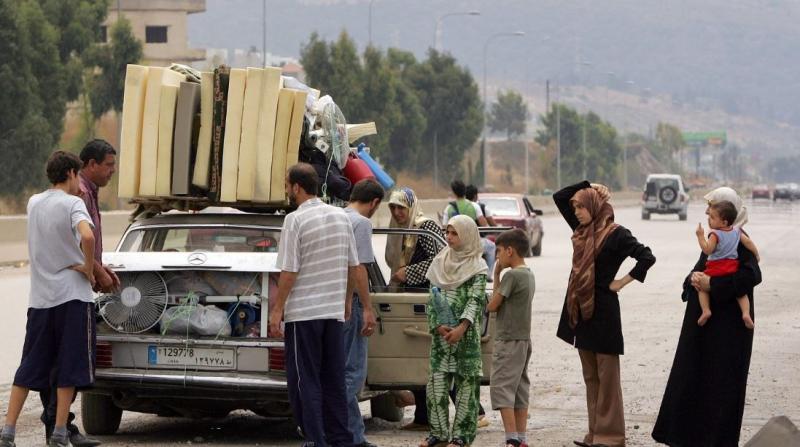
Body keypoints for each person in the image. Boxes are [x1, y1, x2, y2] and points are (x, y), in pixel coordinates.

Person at [0, 151, 97, 447]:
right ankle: (58, 433)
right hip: (72, 296)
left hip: (40, 299)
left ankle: (8, 431)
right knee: (68, 366)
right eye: (77, 175)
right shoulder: (73, 203)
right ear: (70, 173)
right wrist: (89, 269)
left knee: (29, 365)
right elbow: (88, 237)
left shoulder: (33, 202)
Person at [652, 187, 762, 446]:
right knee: (692, 384)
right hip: (703, 328)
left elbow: (752, 276)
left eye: (711, 208)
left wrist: (713, 285)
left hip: (729, 331)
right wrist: (692, 279)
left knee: (721, 389)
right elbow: (700, 268)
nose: (706, 214)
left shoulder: (738, 240)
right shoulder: (716, 239)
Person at [553, 181, 655, 447]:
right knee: (591, 377)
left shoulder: (616, 234)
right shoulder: (581, 230)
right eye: (574, 207)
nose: (575, 211)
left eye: (581, 206)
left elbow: (646, 256)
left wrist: (622, 282)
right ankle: (595, 433)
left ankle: (610, 437)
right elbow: (559, 196)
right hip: (581, 311)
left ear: (595, 207)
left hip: (604, 313)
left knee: (607, 378)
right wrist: (589, 185)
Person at [268, 163, 359, 447]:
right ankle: (340, 438)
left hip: (303, 314)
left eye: (287, 184)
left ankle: (316, 440)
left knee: (305, 380)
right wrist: (345, 302)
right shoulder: (341, 217)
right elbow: (353, 266)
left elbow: (289, 271)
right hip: (332, 313)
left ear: (296, 187)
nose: (286, 189)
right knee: (333, 378)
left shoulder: (294, 220)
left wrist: (277, 309)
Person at [39, 140, 120, 447]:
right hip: (66, 292)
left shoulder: (89, 192)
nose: (113, 171)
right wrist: (94, 271)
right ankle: (58, 426)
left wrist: (100, 267)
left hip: (69, 289)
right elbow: (76, 240)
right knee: (64, 362)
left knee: (62, 360)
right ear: (88, 166)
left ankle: (60, 425)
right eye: (109, 165)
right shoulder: (79, 194)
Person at [419, 215, 488, 447]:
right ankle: (438, 434)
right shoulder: (440, 261)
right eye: (447, 232)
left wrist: (461, 328)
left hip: (465, 339)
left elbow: (476, 300)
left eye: (454, 233)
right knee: (436, 386)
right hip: (441, 339)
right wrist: (437, 325)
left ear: (467, 235)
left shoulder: (477, 266)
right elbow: (432, 298)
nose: (448, 237)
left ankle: (461, 437)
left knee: (466, 388)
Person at [343, 179, 384, 447]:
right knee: (353, 374)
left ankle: (347, 434)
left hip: (330, 303)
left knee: (335, 371)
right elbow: (358, 269)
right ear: (375, 203)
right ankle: (350, 437)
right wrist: (367, 308)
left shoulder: (335, 216)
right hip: (351, 304)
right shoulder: (361, 223)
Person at [487, 229, 536, 447]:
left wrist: (496, 275)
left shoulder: (512, 275)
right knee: (519, 388)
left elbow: (492, 306)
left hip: (507, 340)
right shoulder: (528, 273)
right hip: (524, 340)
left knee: (502, 386)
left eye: (498, 252)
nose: (497, 257)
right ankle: (521, 437)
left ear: (510, 250)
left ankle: (511, 438)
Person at [695, 200, 759, 328]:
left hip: (715, 268)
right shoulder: (737, 232)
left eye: (712, 217)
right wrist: (756, 254)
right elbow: (749, 243)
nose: (708, 215)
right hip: (732, 267)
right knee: (741, 293)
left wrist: (700, 236)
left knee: (701, 287)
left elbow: (708, 250)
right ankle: (746, 313)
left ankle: (706, 310)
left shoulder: (714, 234)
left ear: (724, 221)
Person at [386, 187, 443, 289]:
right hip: (406, 292)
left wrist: (408, 273)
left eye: (401, 207)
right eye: (393, 208)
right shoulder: (399, 227)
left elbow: (442, 261)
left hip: (428, 293)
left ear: (411, 207)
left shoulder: (425, 226)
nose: (396, 213)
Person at [466, 184, 497, 274]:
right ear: (476, 196)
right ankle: (488, 274)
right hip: (476, 241)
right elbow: (490, 226)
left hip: (460, 241)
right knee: (492, 247)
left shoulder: (454, 207)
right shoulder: (480, 207)